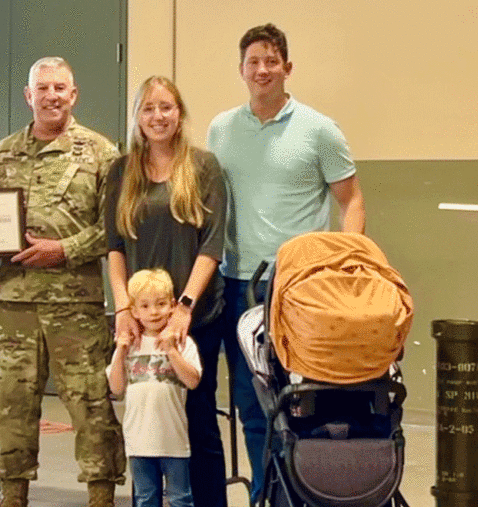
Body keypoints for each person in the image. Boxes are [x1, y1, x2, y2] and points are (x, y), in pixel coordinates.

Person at [206, 23, 366, 505]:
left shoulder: (319, 129)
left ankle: (305, 493)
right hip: (237, 287)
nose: (262, 70)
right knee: (251, 406)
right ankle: (266, 494)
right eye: (253, 61)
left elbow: (352, 202)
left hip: (299, 290)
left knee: (302, 401)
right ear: (241, 70)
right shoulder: (220, 129)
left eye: (271, 61)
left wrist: (339, 266)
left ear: (287, 68)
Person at [0, 56, 126, 507]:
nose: (52, 96)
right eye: (43, 88)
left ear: (73, 95)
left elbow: (116, 227)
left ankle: (101, 494)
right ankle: (13, 494)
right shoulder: (0, 155)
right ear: (29, 96)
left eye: (60, 88)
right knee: (11, 402)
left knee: (91, 403)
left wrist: (65, 250)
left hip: (76, 303)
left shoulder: (101, 154)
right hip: (15, 303)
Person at [105, 76, 228, 507]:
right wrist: (124, 309)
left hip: (195, 318)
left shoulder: (204, 167)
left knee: (197, 421)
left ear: (179, 114)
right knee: (145, 427)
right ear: (137, 118)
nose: (158, 117)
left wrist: (185, 309)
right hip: (141, 323)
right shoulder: (121, 172)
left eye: (166, 107)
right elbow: (114, 247)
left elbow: (212, 245)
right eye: (148, 109)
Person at [107, 268, 201, 507]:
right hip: (139, 442)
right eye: (145, 306)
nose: (154, 312)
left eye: (160, 304)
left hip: (174, 442)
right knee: (145, 498)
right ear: (134, 311)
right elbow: (116, 387)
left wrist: (171, 351)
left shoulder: (183, 343)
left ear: (171, 305)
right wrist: (120, 351)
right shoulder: (130, 345)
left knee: (180, 498)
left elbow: (192, 380)